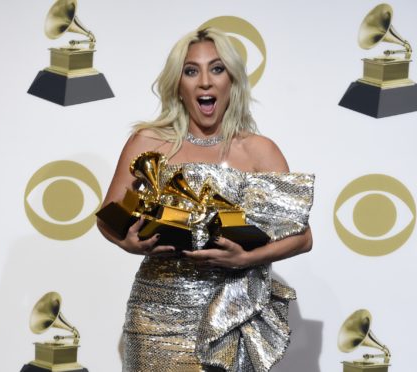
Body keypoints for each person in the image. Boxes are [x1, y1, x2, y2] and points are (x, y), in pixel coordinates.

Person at [97, 27, 314, 371]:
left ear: (232, 82)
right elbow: (107, 218)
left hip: (230, 317)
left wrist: (246, 257)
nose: (205, 83)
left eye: (217, 69)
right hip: (155, 316)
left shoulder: (260, 150)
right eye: (191, 70)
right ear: (178, 85)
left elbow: (302, 238)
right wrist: (130, 243)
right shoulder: (147, 141)